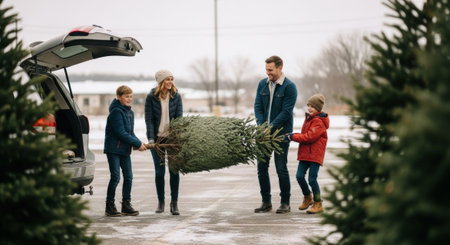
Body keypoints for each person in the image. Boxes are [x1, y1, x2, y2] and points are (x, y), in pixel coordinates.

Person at [254, 55, 298, 214]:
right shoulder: (262, 84)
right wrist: (262, 126)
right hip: (263, 133)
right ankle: (266, 202)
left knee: (281, 168)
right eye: (266, 70)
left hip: (281, 134)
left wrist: (270, 128)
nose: (268, 73)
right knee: (261, 168)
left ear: (280, 68)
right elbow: (257, 107)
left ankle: (285, 203)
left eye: (271, 70)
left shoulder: (289, 87)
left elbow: (286, 112)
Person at [104, 85, 146, 217]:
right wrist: (137, 143)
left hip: (124, 150)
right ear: (118, 97)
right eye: (126, 96)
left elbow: (130, 132)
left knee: (128, 177)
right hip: (114, 149)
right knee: (115, 177)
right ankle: (109, 205)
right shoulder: (116, 112)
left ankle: (126, 204)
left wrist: (139, 142)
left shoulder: (130, 112)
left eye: (131, 96)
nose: (129, 99)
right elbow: (120, 133)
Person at [145, 69, 183, 215]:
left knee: (174, 171)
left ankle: (174, 203)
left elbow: (179, 118)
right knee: (159, 172)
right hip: (157, 140)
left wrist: (177, 136)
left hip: (172, 139)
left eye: (172, 79)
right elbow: (148, 119)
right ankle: (161, 201)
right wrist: (151, 139)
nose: (170, 82)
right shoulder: (151, 97)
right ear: (161, 81)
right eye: (167, 79)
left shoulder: (176, 96)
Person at [285, 94, 329, 214]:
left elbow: (309, 137)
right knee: (299, 176)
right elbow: (306, 135)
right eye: (308, 105)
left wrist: (293, 136)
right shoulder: (310, 118)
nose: (309, 108)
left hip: (315, 155)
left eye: (312, 106)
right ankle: (308, 197)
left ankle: (318, 203)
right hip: (305, 154)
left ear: (318, 108)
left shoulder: (319, 122)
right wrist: (293, 135)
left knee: (312, 179)